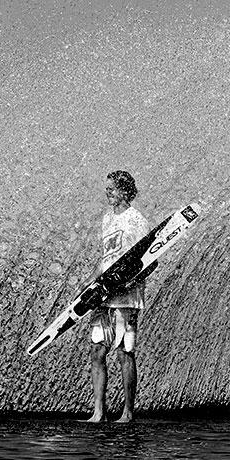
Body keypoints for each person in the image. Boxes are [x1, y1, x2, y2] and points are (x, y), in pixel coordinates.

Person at [86, 170, 150, 423]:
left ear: (125, 191)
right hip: (104, 294)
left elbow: (147, 262)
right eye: (107, 188)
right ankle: (98, 412)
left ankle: (127, 412)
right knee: (97, 351)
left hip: (127, 297)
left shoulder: (137, 220)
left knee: (124, 353)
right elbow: (105, 259)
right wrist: (91, 285)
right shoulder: (107, 220)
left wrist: (126, 282)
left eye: (112, 188)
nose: (107, 192)